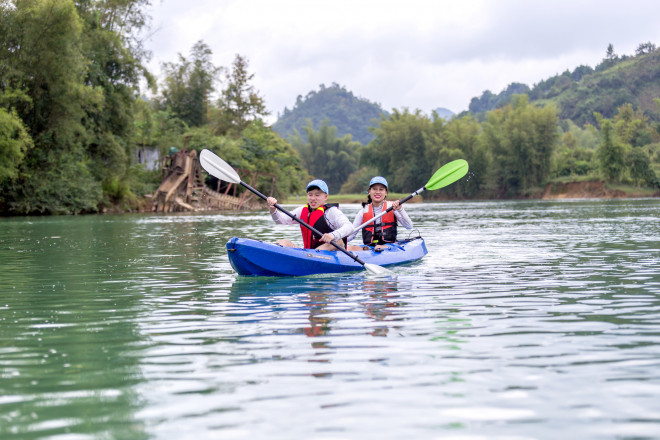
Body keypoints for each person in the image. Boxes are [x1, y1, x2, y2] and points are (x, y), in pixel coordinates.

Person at [266, 179, 353, 250]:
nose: (313, 198)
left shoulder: (332, 212)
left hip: (329, 253)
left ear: (325, 196)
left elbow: (349, 227)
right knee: (283, 242)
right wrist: (273, 209)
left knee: (338, 241)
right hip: (308, 253)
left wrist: (332, 235)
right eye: (310, 195)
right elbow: (281, 220)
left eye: (317, 195)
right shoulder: (302, 211)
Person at [347, 176, 413, 251]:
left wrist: (400, 209)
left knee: (378, 247)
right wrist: (338, 240)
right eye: (374, 189)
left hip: (390, 246)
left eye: (381, 189)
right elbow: (352, 234)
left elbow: (409, 226)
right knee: (350, 248)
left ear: (386, 193)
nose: (377, 192)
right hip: (369, 247)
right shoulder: (363, 211)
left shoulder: (392, 207)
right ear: (369, 191)